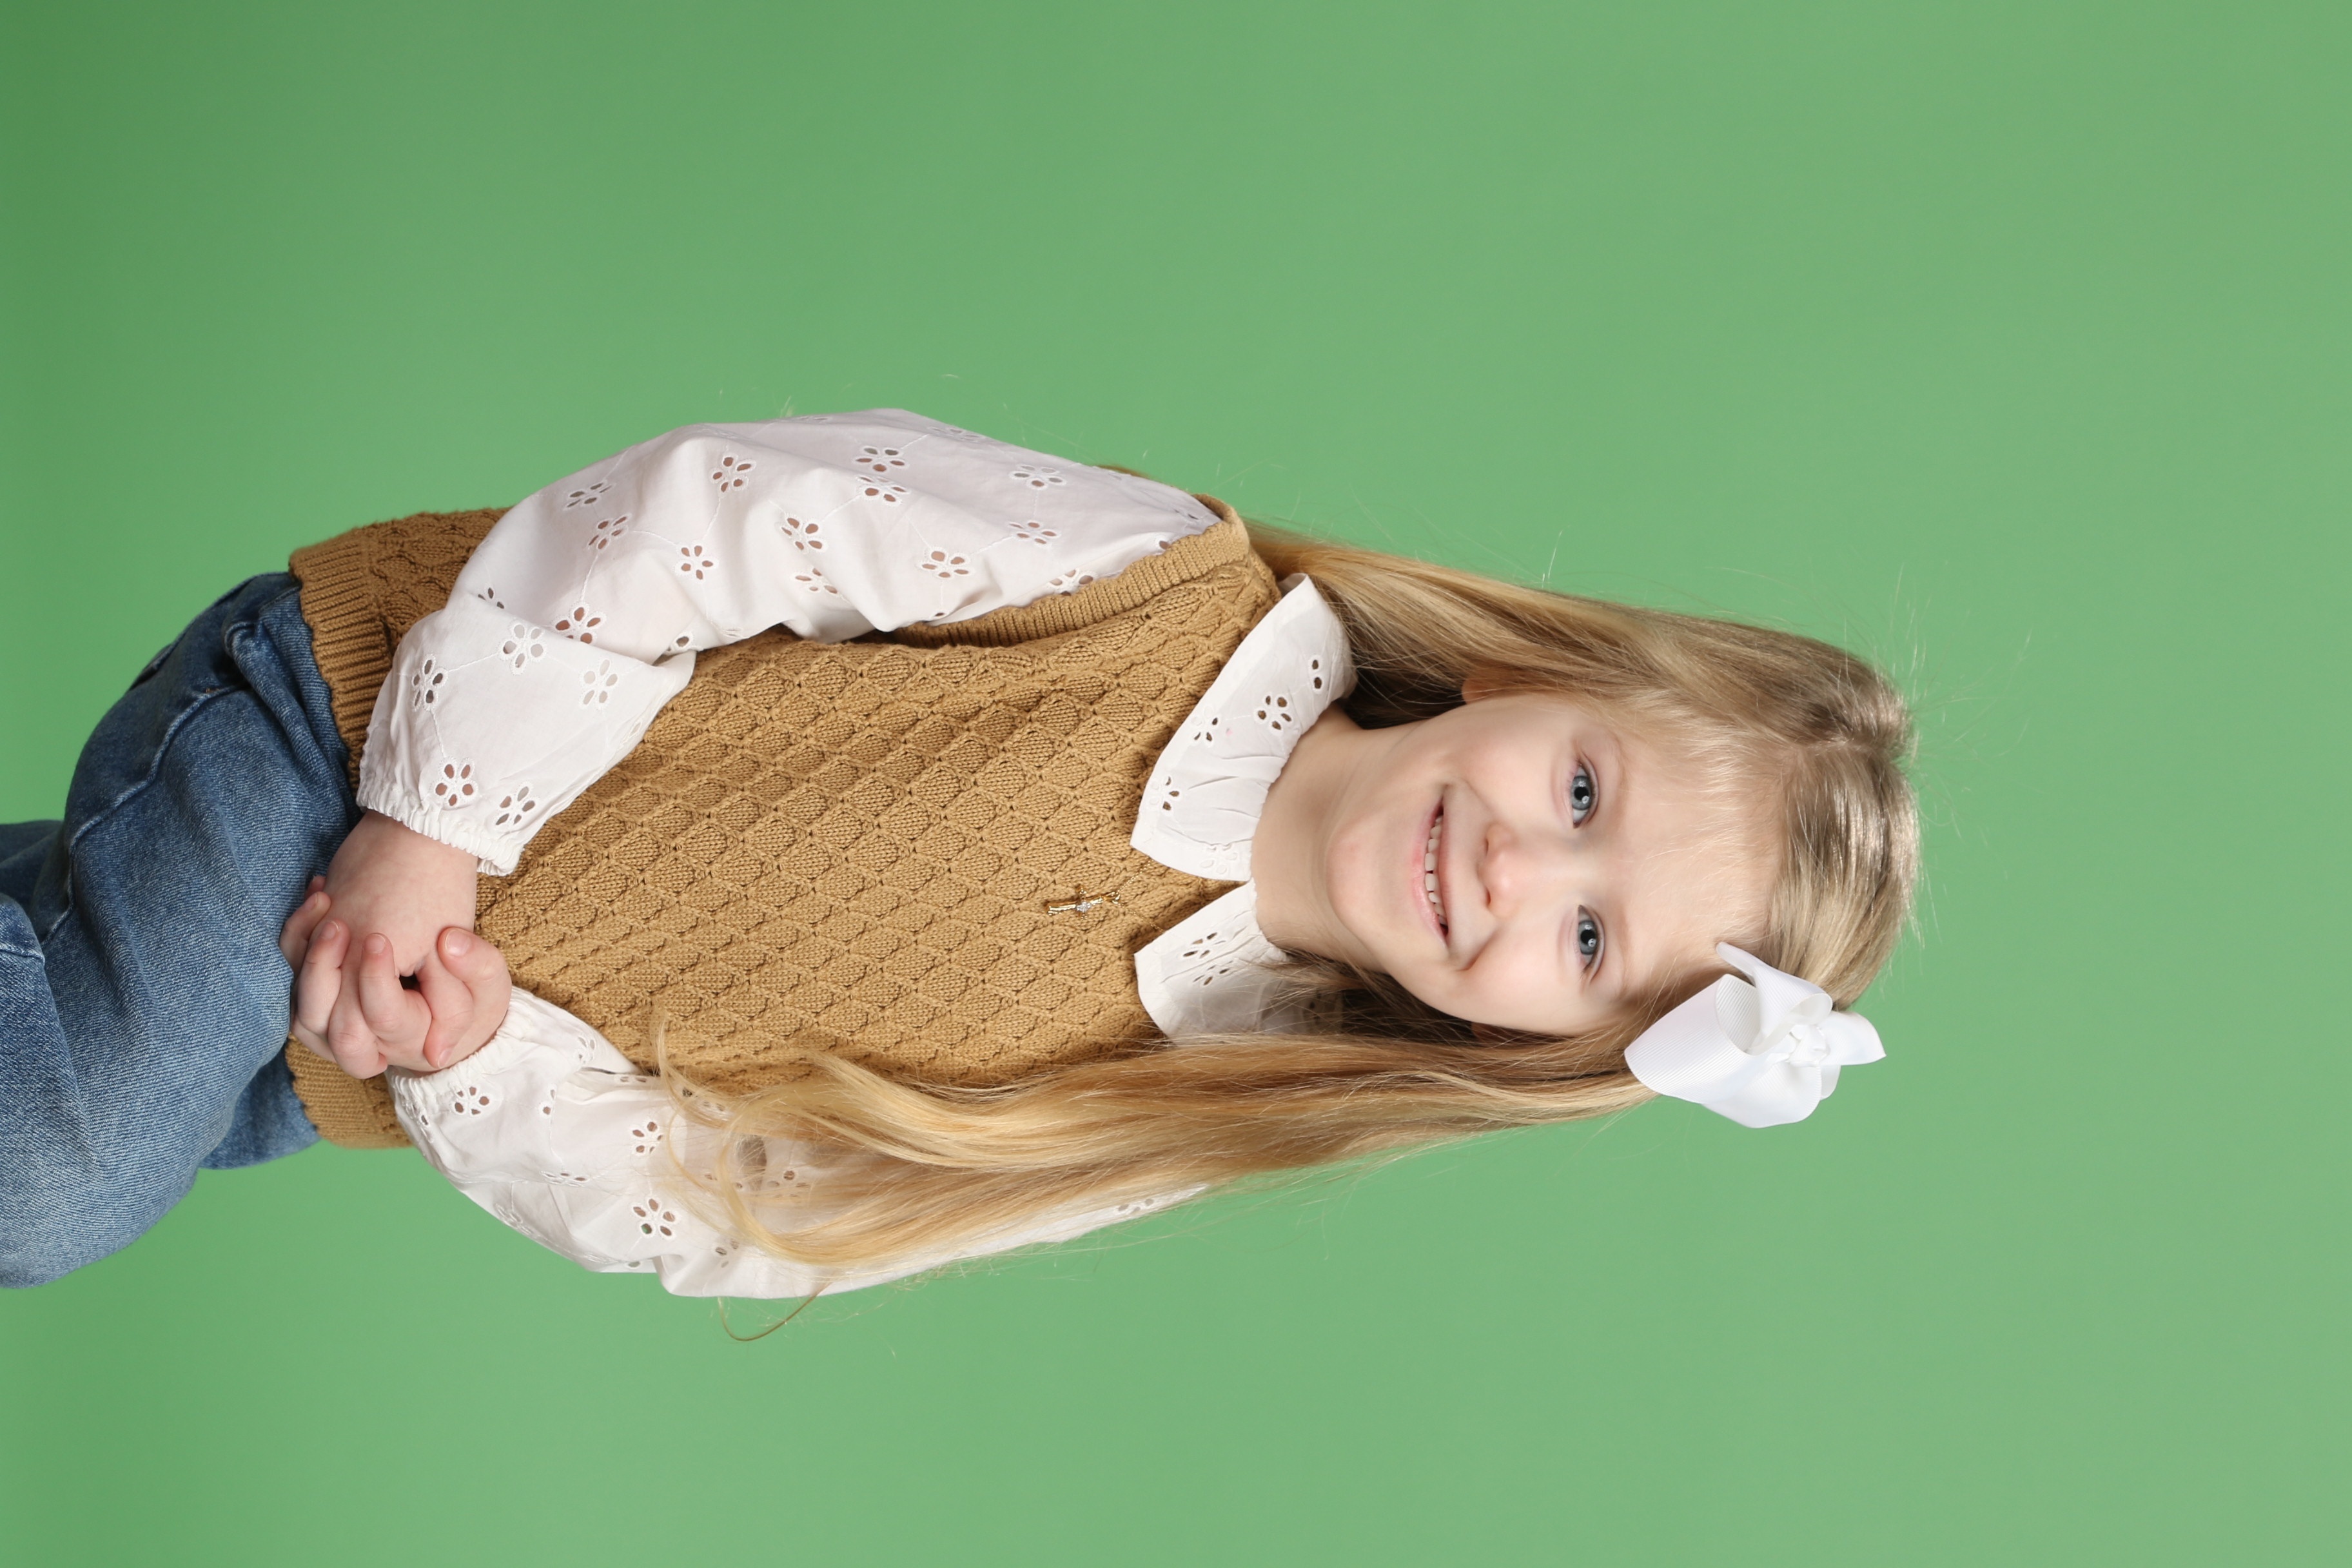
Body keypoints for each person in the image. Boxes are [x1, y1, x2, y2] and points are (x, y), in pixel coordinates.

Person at [1, 410, 1917, 1294]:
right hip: (348, 732)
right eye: (1581, 797)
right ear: (1531, 679)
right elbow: (709, 519)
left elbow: (763, 1215)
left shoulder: (1176, 1100)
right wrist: (436, 823)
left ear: (1533, 1045)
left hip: (368, 1041)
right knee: (50, 1171)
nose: (1516, 874)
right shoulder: (1150, 590)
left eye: (1590, 945)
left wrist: (474, 1058)